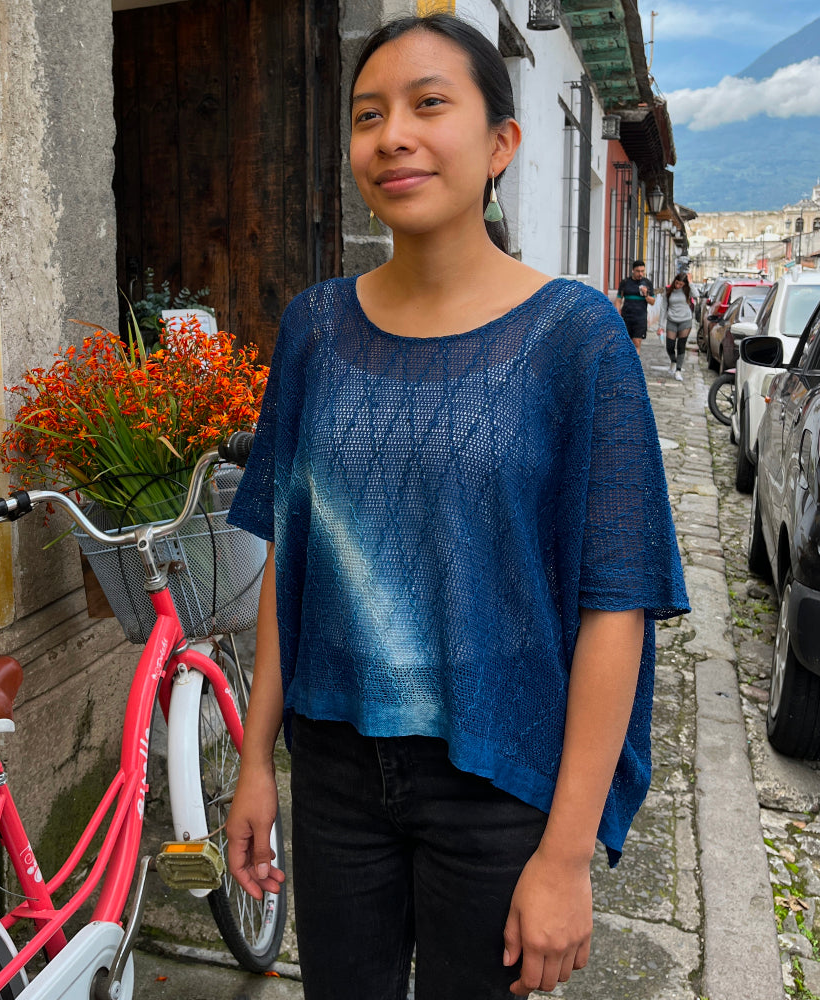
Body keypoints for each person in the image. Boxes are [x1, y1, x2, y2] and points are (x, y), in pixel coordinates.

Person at [225, 14, 688, 999]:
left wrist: (564, 858)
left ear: (500, 145)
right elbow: (292, 562)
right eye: (367, 115)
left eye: (429, 104)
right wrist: (257, 758)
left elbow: (618, 601)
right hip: (339, 771)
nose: (393, 134)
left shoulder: (575, 339)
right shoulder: (313, 330)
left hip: (497, 773)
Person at [660, 273, 695, 382]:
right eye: (677, 283)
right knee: (670, 346)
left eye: (681, 284)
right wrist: (660, 325)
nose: (678, 286)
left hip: (685, 320)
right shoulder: (668, 291)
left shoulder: (687, 290)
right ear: (674, 281)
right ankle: (673, 361)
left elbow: (697, 294)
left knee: (681, 345)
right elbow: (663, 308)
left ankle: (678, 370)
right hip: (672, 320)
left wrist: (691, 282)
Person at [615, 260, 656, 351]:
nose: (640, 274)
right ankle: (626, 363)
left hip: (640, 318)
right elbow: (618, 299)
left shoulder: (647, 283)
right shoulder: (625, 282)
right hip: (626, 317)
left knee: (636, 342)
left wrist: (646, 294)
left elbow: (652, 302)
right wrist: (616, 313)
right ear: (633, 270)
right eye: (638, 271)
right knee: (625, 343)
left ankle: (635, 364)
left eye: (642, 271)